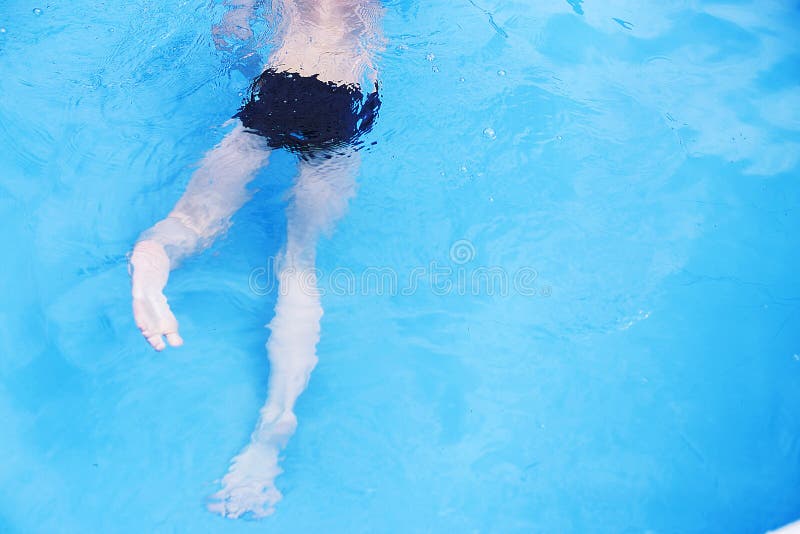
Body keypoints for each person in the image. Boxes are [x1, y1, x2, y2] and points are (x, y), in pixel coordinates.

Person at [128, 0, 384, 518]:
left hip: (281, 84)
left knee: (191, 222)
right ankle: (275, 426)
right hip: (345, 100)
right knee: (298, 263)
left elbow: (228, 35)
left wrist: (258, 70)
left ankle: (152, 267)